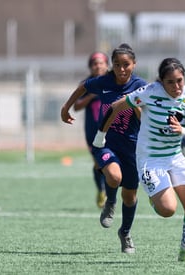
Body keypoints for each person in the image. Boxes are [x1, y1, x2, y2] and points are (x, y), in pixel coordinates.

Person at [93, 57, 185, 263]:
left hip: (178, 156)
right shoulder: (149, 92)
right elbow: (116, 106)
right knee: (168, 210)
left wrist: (183, 130)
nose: (177, 86)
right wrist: (101, 136)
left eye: (180, 80)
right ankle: (154, 195)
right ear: (161, 81)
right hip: (151, 158)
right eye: (170, 82)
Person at [61, 43, 147, 254]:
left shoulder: (142, 86)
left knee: (130, 196)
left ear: (134, 64)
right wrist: (66, 107)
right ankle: (110, 201)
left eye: (126, 64)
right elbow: (83, 86)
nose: (121, 69)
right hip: (105, 142)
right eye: (116, 64)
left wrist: (139, 111)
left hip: (132, 148)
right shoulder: (104, 81)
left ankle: (125, 233)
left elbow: (150, 111)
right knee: (114, 177)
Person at [72, 52, 109, 209]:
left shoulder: (113, 81)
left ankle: (110, 193)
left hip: (112, 129)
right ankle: (101, 190)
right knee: (99, 163)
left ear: (107, 65)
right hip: (92, 131)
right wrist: (91, 96)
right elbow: (76, 106)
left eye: (101, 63)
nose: (98, 66)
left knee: (112, 162)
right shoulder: (86, 84)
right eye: (95, 63)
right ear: (90, 67)